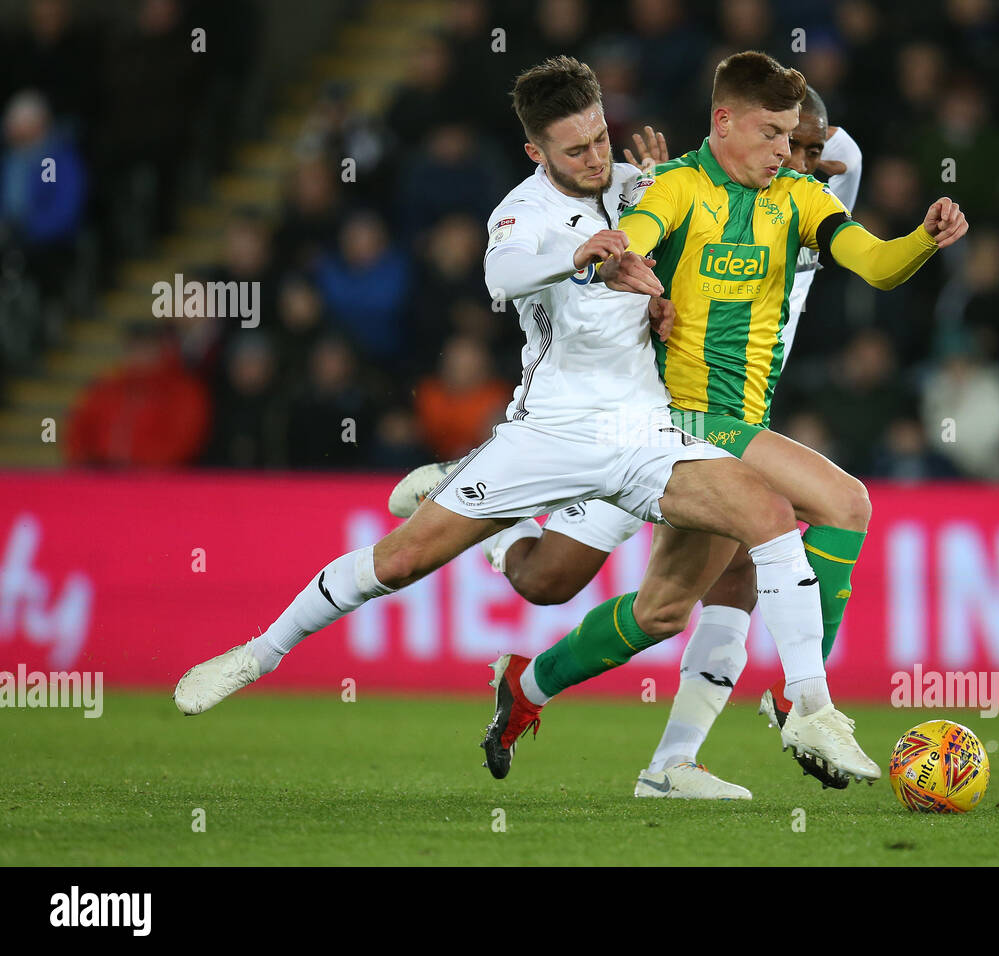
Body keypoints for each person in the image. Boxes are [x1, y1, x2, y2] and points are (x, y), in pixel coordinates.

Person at [172, 56, 879, 794]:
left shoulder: (651, 184)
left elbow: (707, 223)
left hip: (648, 432)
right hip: (550, 432)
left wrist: (665, 289)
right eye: (575, 150)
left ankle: (790, 714)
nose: (596, 157)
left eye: (601, 138)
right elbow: (504, 276)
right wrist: (581, 256)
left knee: (761, 516)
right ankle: (260, 653)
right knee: (449, 569)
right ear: (536, 154)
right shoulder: (520, 213)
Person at [391, 53, 967, 795]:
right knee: (837, 503)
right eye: (783, 141)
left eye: (808, 147)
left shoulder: (806, 195)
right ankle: (801, 701)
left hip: (738, 418)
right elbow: (625, 239)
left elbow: (876, 253)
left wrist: (923, 234)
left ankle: (569, 710)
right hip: (668, 419)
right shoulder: (686, 189)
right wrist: (627, 240)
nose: (796, 158)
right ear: (732, 125)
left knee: (666, 606)